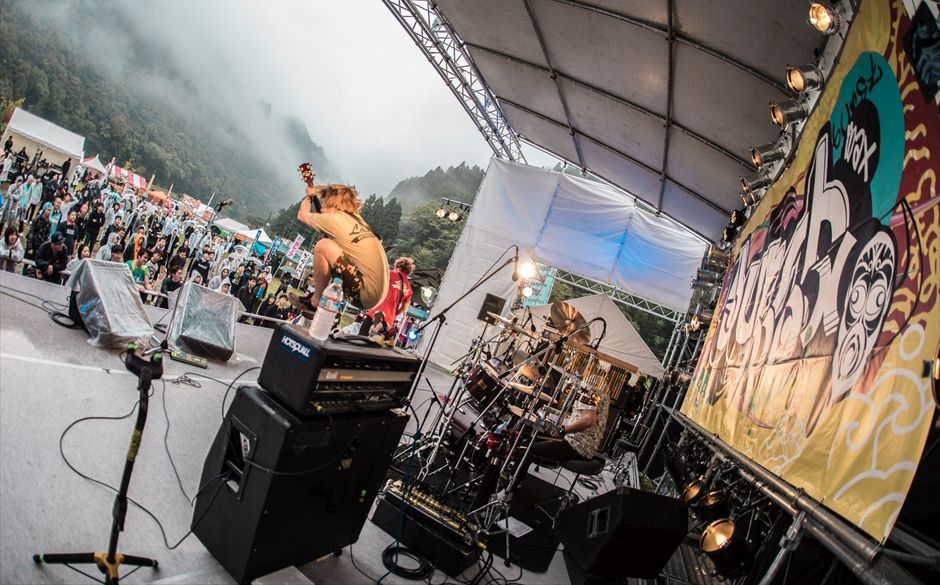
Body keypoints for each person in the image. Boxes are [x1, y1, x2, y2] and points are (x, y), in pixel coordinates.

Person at [295, 181, 389, 312]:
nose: (322, 208)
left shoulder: (334, 218)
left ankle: (315, 303)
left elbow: (302, 215)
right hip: (378, 296)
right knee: (333, 250)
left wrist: (309, 196)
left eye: (325, 203)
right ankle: (328, 301)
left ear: (333, 203)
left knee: (323, 245)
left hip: (362, 294)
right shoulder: (359, 221)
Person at [359, 256, 414, 336]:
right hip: (388, 320)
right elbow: (404, 308)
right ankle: (379, 327)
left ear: (397, 265)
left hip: (375, 312)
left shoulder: (389, 273)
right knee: (374, 343)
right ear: (409, 271)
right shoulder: (409, 289)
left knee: (360, 339)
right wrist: (394, 313)